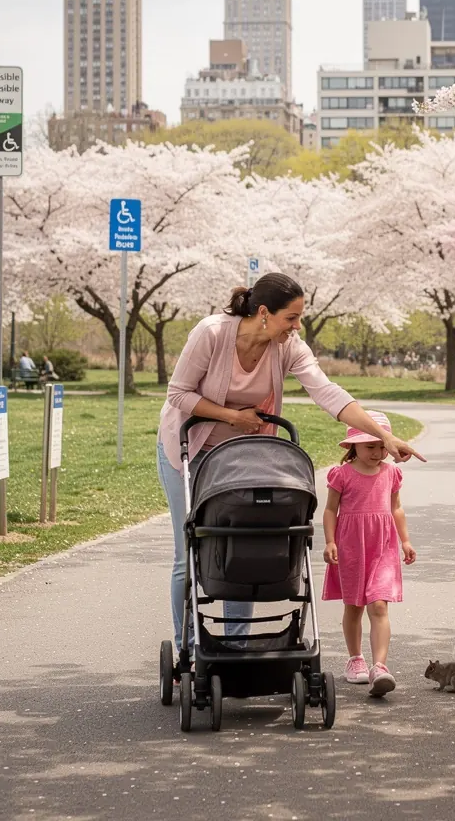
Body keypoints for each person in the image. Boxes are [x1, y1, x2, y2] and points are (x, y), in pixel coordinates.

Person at [157, 273, 424, 667]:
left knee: (240, 546)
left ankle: (234, 652)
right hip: (190, 448)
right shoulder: (211, 333)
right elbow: (178, 393)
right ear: (264, 312)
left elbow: (329, 393)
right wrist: (234, 416)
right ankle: (189, 650)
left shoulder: (289, 347)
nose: (297, 327)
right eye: (292, 318)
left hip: (244, 455)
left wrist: (384, 436)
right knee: (190, 550)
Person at [322, 411, 416, 698]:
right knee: (354, 606)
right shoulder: (342, 474)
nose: (376, 453)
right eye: (369, 446)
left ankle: (380, 667)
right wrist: (330, 542)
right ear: (354, 446)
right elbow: (330, 510)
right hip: (351, 546)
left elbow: (396, 508)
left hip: (383, 546)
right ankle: (355, 659)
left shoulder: (391, 473)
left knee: (379, 605)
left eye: (381, 446)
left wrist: (405, 541)